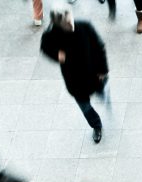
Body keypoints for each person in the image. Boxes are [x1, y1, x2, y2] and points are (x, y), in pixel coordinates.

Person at [41, 5, 109, 143]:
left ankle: (101, 93)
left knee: (99, 89)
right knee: (85, 106)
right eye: (66, 22)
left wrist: (103, 70)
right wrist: (57, 55)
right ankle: (96, 126)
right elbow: (45, 47)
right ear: (57, 24)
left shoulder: (84, 27)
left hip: (93, 73)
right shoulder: (52, 35)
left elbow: (99, 46)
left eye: (70, 18)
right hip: (75, 80)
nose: (70, 24)